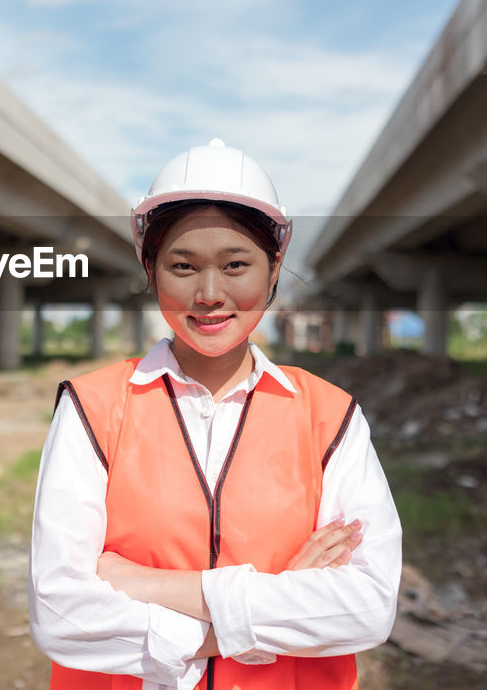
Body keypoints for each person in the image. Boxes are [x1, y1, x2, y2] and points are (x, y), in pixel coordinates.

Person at [28, 139, 402, 689]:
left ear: (274, 269)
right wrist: (272, 603)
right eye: (183, 266)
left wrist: (153, 587)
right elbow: (61, 616)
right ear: (150, 269)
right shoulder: (92, 408)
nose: (209, 293)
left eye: (235, 265)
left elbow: (367, 608)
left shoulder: (331, 417)